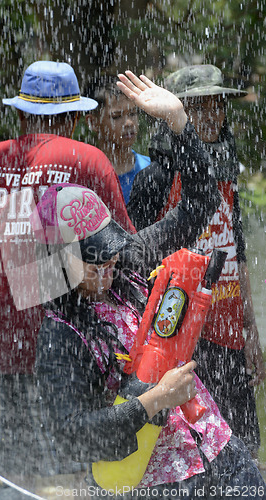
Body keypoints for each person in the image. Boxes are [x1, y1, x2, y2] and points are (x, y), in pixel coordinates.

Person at [0, 61, 141, 481]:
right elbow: (125, 250)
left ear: (22, 113)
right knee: (60, 481)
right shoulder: (88, 161)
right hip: (65, 352)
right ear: (74, 116)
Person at [34, 182, 265, 499]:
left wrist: (181, 131)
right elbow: (72, 435)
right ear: (56, 262)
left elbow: (202, 199)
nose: (109, 261)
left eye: (110, 247)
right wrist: (158, 399)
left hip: (220, 448)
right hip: (159, 483)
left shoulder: (130, 267)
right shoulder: (59, 335)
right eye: (94, 255)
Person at [127, 64, 266, 458]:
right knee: (185, 452)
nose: (212, 117)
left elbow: (234, 252)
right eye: (199, 108)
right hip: (180, 336)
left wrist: (250, 328)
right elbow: (137, 267)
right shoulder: (155, 179)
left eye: (218, 106)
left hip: (227, 329)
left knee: (243, 448)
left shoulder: (227, 174)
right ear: (177, 114)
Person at [85, 75, 150, 203]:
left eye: (132, 113)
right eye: (116, 116)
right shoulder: (85, 177)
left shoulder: (150, 170)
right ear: (93, 123)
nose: (129, 123)